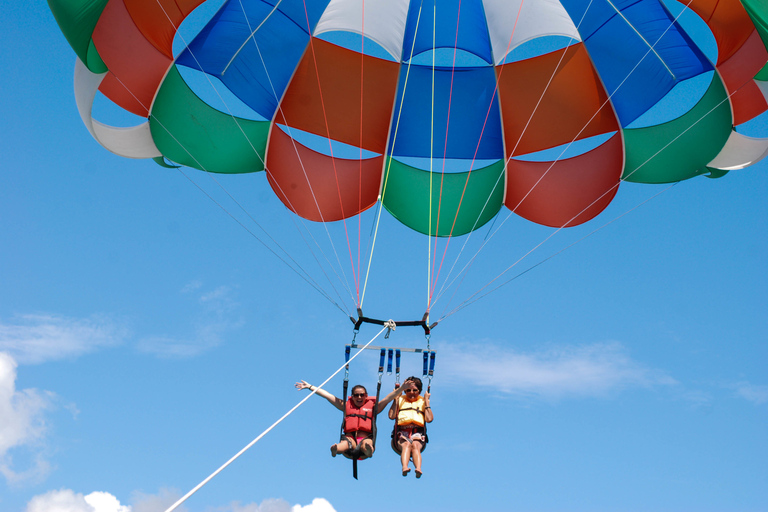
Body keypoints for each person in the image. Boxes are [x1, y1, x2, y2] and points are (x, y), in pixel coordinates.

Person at [295, 380, 403, 459]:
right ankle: (336, 449)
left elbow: (387, 399)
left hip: (365, 438)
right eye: (356, 395)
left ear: (366, 396)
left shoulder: (374, 408)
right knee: (345, 443)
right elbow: (327, 395)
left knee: (367, 444)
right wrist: (310, 386)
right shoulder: (345, 406)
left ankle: (369, 451)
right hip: (350, 438)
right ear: (352, 396)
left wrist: (401, 389)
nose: (359, 397)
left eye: (362, 395)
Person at [389, 376, 433, 478]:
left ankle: (418, 468)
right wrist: (395, 399)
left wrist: (426, 401)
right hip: (402, 432)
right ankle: (405, 467)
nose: (411, 393)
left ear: (420, 391)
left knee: (416, 446)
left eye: (415, 390)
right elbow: (391, 416)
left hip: (417, 432)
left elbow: (429, 419)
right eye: (408, 390)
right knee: (406, 445)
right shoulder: (400, 399)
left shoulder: (422, 401)